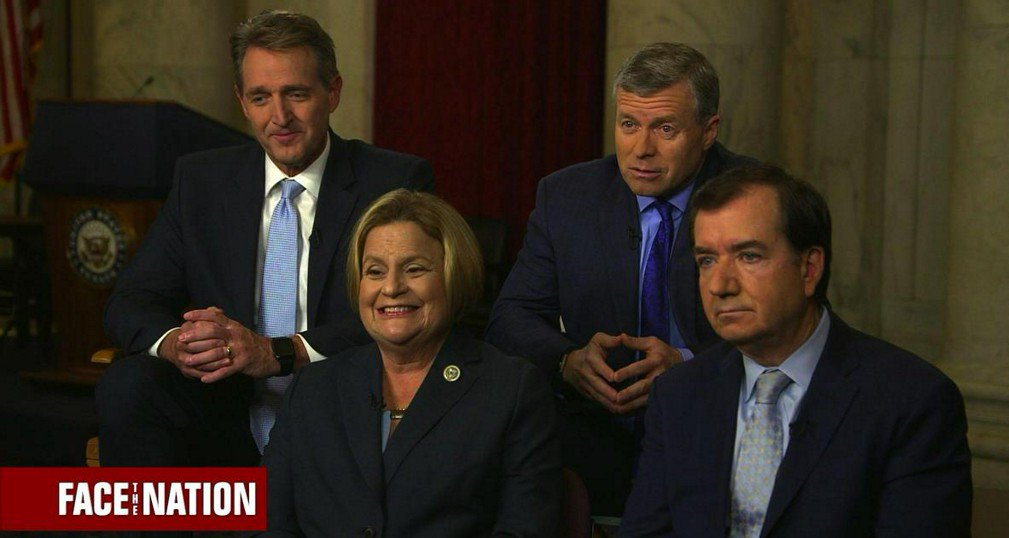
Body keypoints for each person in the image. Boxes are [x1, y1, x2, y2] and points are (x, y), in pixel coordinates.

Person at [96, 11, 434, 466]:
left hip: (339, 409)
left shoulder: (392, 183)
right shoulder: (202, 181)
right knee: (128, 385)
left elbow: (412, 312)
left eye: (296, 94)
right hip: (224, 411)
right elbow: (131, 301)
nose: (280, 117)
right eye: (260, 97)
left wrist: (281, 353)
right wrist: (178, 342)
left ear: (332, 92)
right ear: (241, 101)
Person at [619, 164, 972, 537]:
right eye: (707, 260)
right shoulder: (679, 393)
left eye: (748, 256)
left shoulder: (912, 401)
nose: (720, 285)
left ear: (809, 269)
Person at [486, 42, 756, 515]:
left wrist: (688, 366)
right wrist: (567, 361)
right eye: (628, 124)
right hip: (593, 432)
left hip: (721, 427)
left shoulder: (757, 199)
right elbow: (511, 317)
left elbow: (789, 330)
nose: (641, 149)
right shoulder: (567, 196)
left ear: (708, 131)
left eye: (665, 129)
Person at [262, 189, 561, 536]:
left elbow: (525, 530)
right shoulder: (312, 387)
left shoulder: (512, 390)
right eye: (375, 271)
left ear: (453, 274)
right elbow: (263, 520)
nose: (391, 287)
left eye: (414, 269)